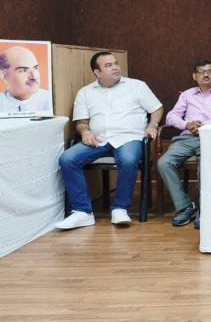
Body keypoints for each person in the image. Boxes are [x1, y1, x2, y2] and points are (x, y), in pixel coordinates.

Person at [56, 52, 163, 229]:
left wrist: (153, 125)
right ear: (97, 72)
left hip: (129, 137)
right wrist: (85, 132)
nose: (115, 68)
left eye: (116, 63)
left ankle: (120, 208)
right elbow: (81, 122)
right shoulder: (85, 93)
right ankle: (82, 212)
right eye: (108, 65)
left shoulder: (137, 86)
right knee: (67, 159)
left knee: (128, 159)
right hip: (98, 140)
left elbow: (156, 108)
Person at [157, 59, 211, 229]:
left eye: (209, 71)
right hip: (187, 138)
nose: (206, 74)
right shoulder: (187, 95)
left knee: (205, 166)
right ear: (195, 76)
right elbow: (171, 116)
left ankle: (204, 210)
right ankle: (186, 206)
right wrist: (187, 124)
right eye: (201, 71)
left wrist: (205, 126)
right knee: (164, 162)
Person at [0, 46, 52, 113]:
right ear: (3, 76)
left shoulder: (50, 100)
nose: (34, 76)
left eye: (35, 68)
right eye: (23, 70)